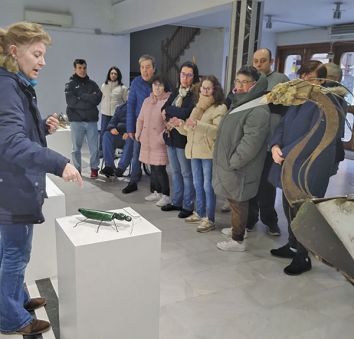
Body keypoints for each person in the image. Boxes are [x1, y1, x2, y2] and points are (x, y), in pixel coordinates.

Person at [0, 21, 82, 336]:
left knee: (10, 251)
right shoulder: (7, 85)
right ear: (13, 51)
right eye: (37, 54)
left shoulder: (13, 83)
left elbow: (16, 132)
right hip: (12, 188)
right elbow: (10, 143)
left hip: (10, 186)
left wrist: (42, 128)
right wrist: (59, 163)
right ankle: (11, 318)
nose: (43, 62)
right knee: (16, 253)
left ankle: (15, 299)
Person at [269, 61, 338, 275]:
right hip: (288, 163)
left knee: (302, 211)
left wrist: (285, 152)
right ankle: (291, 245)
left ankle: (303, 255)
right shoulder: (301, 98)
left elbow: (314, 136)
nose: (305, 79)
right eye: (303, 75)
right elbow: (282, 125)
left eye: (310, 76)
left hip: (307, 168)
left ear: (322, 80)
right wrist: (275, 146)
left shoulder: (328, 103)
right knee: (288, 207)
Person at [213, 66, 270, 252]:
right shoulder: (241, 102)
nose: (239, 85)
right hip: (232, 165)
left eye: (244, 82)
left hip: (240, 167)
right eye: (237, 81)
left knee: (239, 202)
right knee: (235, 200)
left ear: (254, 85)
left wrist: (233, 162)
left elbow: (250, 143)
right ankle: (239, 229)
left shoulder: (258, 108)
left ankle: (238, 240)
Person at [170, 75, 227, 232]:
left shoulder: (220, 108)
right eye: (203, 88)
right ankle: (200, 212)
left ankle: (210, 218)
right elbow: (189, 130)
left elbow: (217, 131)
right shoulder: (197, 107)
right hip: (194, 152)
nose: (205, 91)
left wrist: (198, 124)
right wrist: (179, 124)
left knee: (208, 186)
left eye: (209, 88)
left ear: (215, 90)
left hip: (208, 153)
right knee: (197, 184)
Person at [247, 48, 289, 235]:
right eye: (256, 61)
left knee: (267, 185)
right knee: (250, 183)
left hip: (270, 143)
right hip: (252, 142)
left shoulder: (281, 79)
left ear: (271, 62)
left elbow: (287, 107)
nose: (258, 64)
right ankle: (249, 219)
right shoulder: (249, 79)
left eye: (263, 61)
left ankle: (270, 221)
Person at [160, 61, 200, 218]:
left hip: (183, 139)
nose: (185, 78)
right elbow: (164, 109)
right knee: (175, 172)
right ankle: (176, 201)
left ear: (194, 77)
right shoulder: (177, 91)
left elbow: (186, 113)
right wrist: (170, 112)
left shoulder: (195, 95)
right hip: (171, 137)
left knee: (186, 173)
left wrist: (170, 112)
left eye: (189, 75)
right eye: (183, 74)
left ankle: (188, 205)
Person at [136, 75, 171, 207]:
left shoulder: (167, 101)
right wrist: (138, 133)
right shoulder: (147, 101)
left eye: (160, 85)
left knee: (159, 168)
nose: (157, 88)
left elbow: (169, 124)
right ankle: (155, 191)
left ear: (164, 87)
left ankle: (166, 195)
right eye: (155, 85)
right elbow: (140, 119)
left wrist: (161, 137)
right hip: (147, 140)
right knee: (152, 167)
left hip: (158, 142)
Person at [65, 58, 102, 178]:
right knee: (76, 148)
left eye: (84, 68)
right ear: (75, 69)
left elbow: (97, 98)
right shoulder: (70, 85)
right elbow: (72, 103)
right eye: (79, 68)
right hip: (76, 121)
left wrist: (82, 96)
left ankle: (94, 168)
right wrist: (89, 99)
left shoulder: (93, 84)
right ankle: (77, 170)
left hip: (91, 121)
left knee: (94, 148)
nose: (82, 70)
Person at [123, 54, 155, 194]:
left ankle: (156, 185)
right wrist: (130, 128)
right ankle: (133, 181)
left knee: (155, 156)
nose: (144, 70)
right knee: (136, 155)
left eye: (147, 67)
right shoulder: (136, 82)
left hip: (155, 127)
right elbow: (131, 105)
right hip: (139, 126)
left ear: (154, 68)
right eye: (142, 67)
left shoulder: (160, 83)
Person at [100, 102, 134, 177]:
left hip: (131, 136)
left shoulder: (139, 107)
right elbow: (112, 122)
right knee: (106, 135)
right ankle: (109, 166)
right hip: (118, 135)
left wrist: (130, 132)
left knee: (131, 139)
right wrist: (112, 128)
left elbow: (140, 123)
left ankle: (121, 168)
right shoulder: (120, 108)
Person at [99, 66, 128, 153]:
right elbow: (101, 98)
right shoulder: (104, 86)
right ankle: (101, 151)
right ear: (109, 74)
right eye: (111, 73)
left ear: (118, 75)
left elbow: (126, 101)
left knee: (115, 133)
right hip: (105, 113)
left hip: (116, 116)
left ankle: (113, 151)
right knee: (103, 133)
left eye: (115, 73)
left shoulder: (123, 88)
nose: (113, 75)